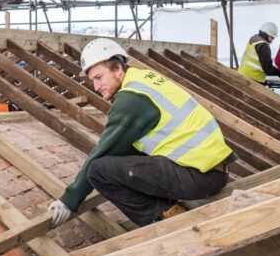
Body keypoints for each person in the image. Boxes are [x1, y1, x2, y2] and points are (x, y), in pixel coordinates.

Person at [48, 39, 236, 228]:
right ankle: (167, 207)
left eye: (99, 77)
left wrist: (69, 200)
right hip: (210, 169)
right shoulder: (143, 79)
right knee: (125, 152)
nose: (96, 87)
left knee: (98, 171)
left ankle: (165, 218)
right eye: (92, 81)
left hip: (200, 177)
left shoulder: (131, 100)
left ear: (118, 69)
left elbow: (103, 152)